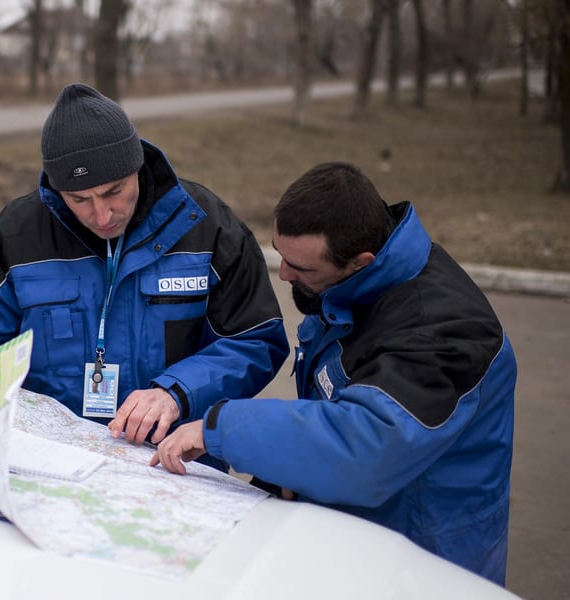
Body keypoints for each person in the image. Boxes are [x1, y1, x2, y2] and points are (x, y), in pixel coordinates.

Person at [150, 162, 516, 585]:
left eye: (301, 268)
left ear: (360, 261)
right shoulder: (355, 287)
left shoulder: (443, 332)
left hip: (425, 559)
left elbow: (366, 446)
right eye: (280, 255)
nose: (283, 274)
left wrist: (220, 429)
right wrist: (286, 466)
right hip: (359, 534)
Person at [0, 83, 290, 467]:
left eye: (114, 192)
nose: (102, 215)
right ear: (58, 190)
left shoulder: (208, 228)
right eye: (79, 200)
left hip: (173, 469)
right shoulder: (14, 237)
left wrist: (178, 392)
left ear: (136, 167)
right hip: (50, 466)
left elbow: (255, 341)